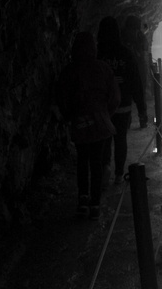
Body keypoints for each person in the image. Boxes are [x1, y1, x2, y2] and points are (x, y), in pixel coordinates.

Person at [56, 31, 120, 219]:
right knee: (97, 161)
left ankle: (83, 201)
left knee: (83, 161)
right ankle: (95, 203)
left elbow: (61, 96)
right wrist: (105, 114)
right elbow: (115, 97)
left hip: (80, 123)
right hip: (100, 123)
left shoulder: (69, 71)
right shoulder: (103, 68)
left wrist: (69, 116)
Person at [97, 16, 146, 183]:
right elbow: (136, 82)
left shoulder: (98, 54)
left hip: (103, 106)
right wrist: (141, 109)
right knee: (120, 140)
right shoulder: (126, 53)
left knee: (104, 138)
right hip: (123, 104)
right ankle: (118, 174)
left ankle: (105, 169)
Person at [122, 13, 150, 120]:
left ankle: (129, 119)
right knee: (140, 95)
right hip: (138, 67)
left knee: (127, 95)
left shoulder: (124, 35)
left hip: (128, 68)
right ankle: (143, 118)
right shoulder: (140, 36)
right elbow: (144, 49)